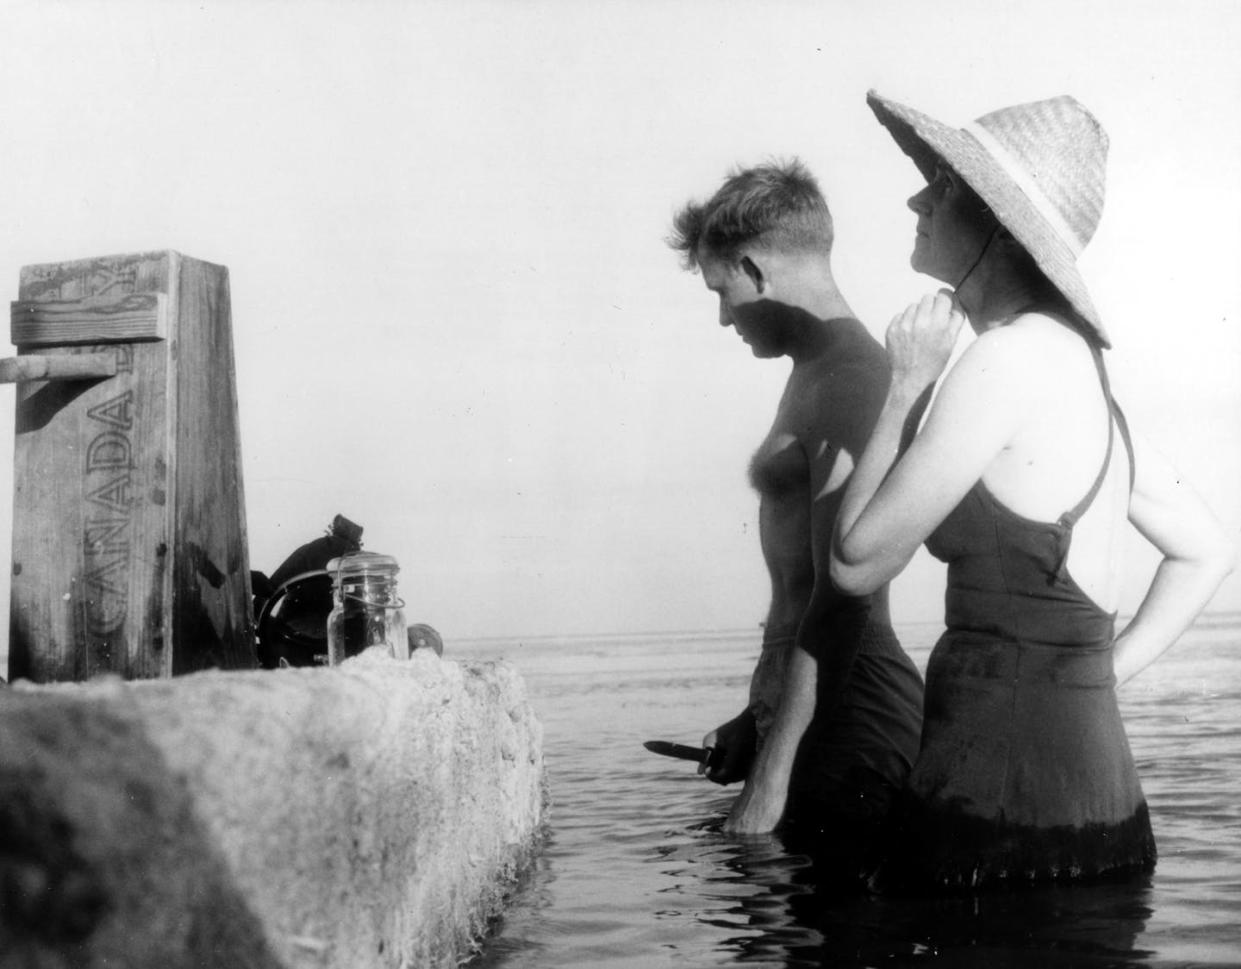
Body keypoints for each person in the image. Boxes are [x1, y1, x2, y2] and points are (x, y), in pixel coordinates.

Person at [830, 91, 1235, 891]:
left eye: (940, 183)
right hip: (1102, 806)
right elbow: (1206, 549)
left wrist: (905, 385)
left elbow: (854, 564)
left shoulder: (1005, 362)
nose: (916, 197)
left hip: (993, 815)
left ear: (994, 222)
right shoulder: (1081, 377)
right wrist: (1101, 673)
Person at [669, 160, 924, 883]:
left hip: (853, 704)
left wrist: (769, 779)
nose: (723, 317)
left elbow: (839, 595)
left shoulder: (852, 378)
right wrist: (757, 720)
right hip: (814, 706)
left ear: (754, 267)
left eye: (721, 292)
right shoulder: (811, 369)